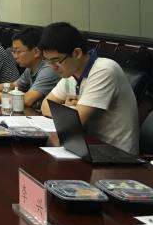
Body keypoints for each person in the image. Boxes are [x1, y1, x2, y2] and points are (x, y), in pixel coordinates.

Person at [38, 22, 139, 154]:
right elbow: (45, 106)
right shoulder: (71, 73)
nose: (53, 67)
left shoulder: (104, 70)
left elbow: (75, 122)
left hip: (114, 153)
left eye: (56, 61)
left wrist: (69, 111)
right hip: (86, 146)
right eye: (48, 61)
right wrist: (70, 110)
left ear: (77, 53)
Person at [0, 26, 60, 110]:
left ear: (36, 52)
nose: (15, 56)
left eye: (18, 51)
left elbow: (27, 99)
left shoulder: (49, 69)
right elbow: (13, 85)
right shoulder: (30, 68)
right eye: (13, 52)